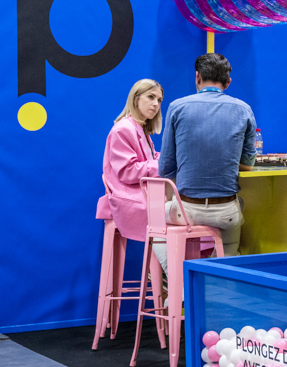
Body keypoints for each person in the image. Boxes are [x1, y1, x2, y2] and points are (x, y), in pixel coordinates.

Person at [158, 53, 257, 268]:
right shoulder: (244, 110)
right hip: (226, 212)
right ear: (228, 82)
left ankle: (178, 281)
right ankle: (218, 272)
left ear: (197, 77)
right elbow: (248, 165)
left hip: (186, 211)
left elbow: (165, 167)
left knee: (154, 219)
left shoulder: (177, 107)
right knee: (237, 211)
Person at [96, 79, 164, 242]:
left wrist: (169, 157)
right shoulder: (123, 129)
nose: (156, 104)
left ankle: (167, 263)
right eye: (151, 97)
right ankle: (168, 265)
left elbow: (151, 157)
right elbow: (129, 171)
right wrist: (163, 165)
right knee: (172, 211)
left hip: (142, 193)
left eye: (159, 100)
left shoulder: (140, 129)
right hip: (130, 197)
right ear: (136, 99)